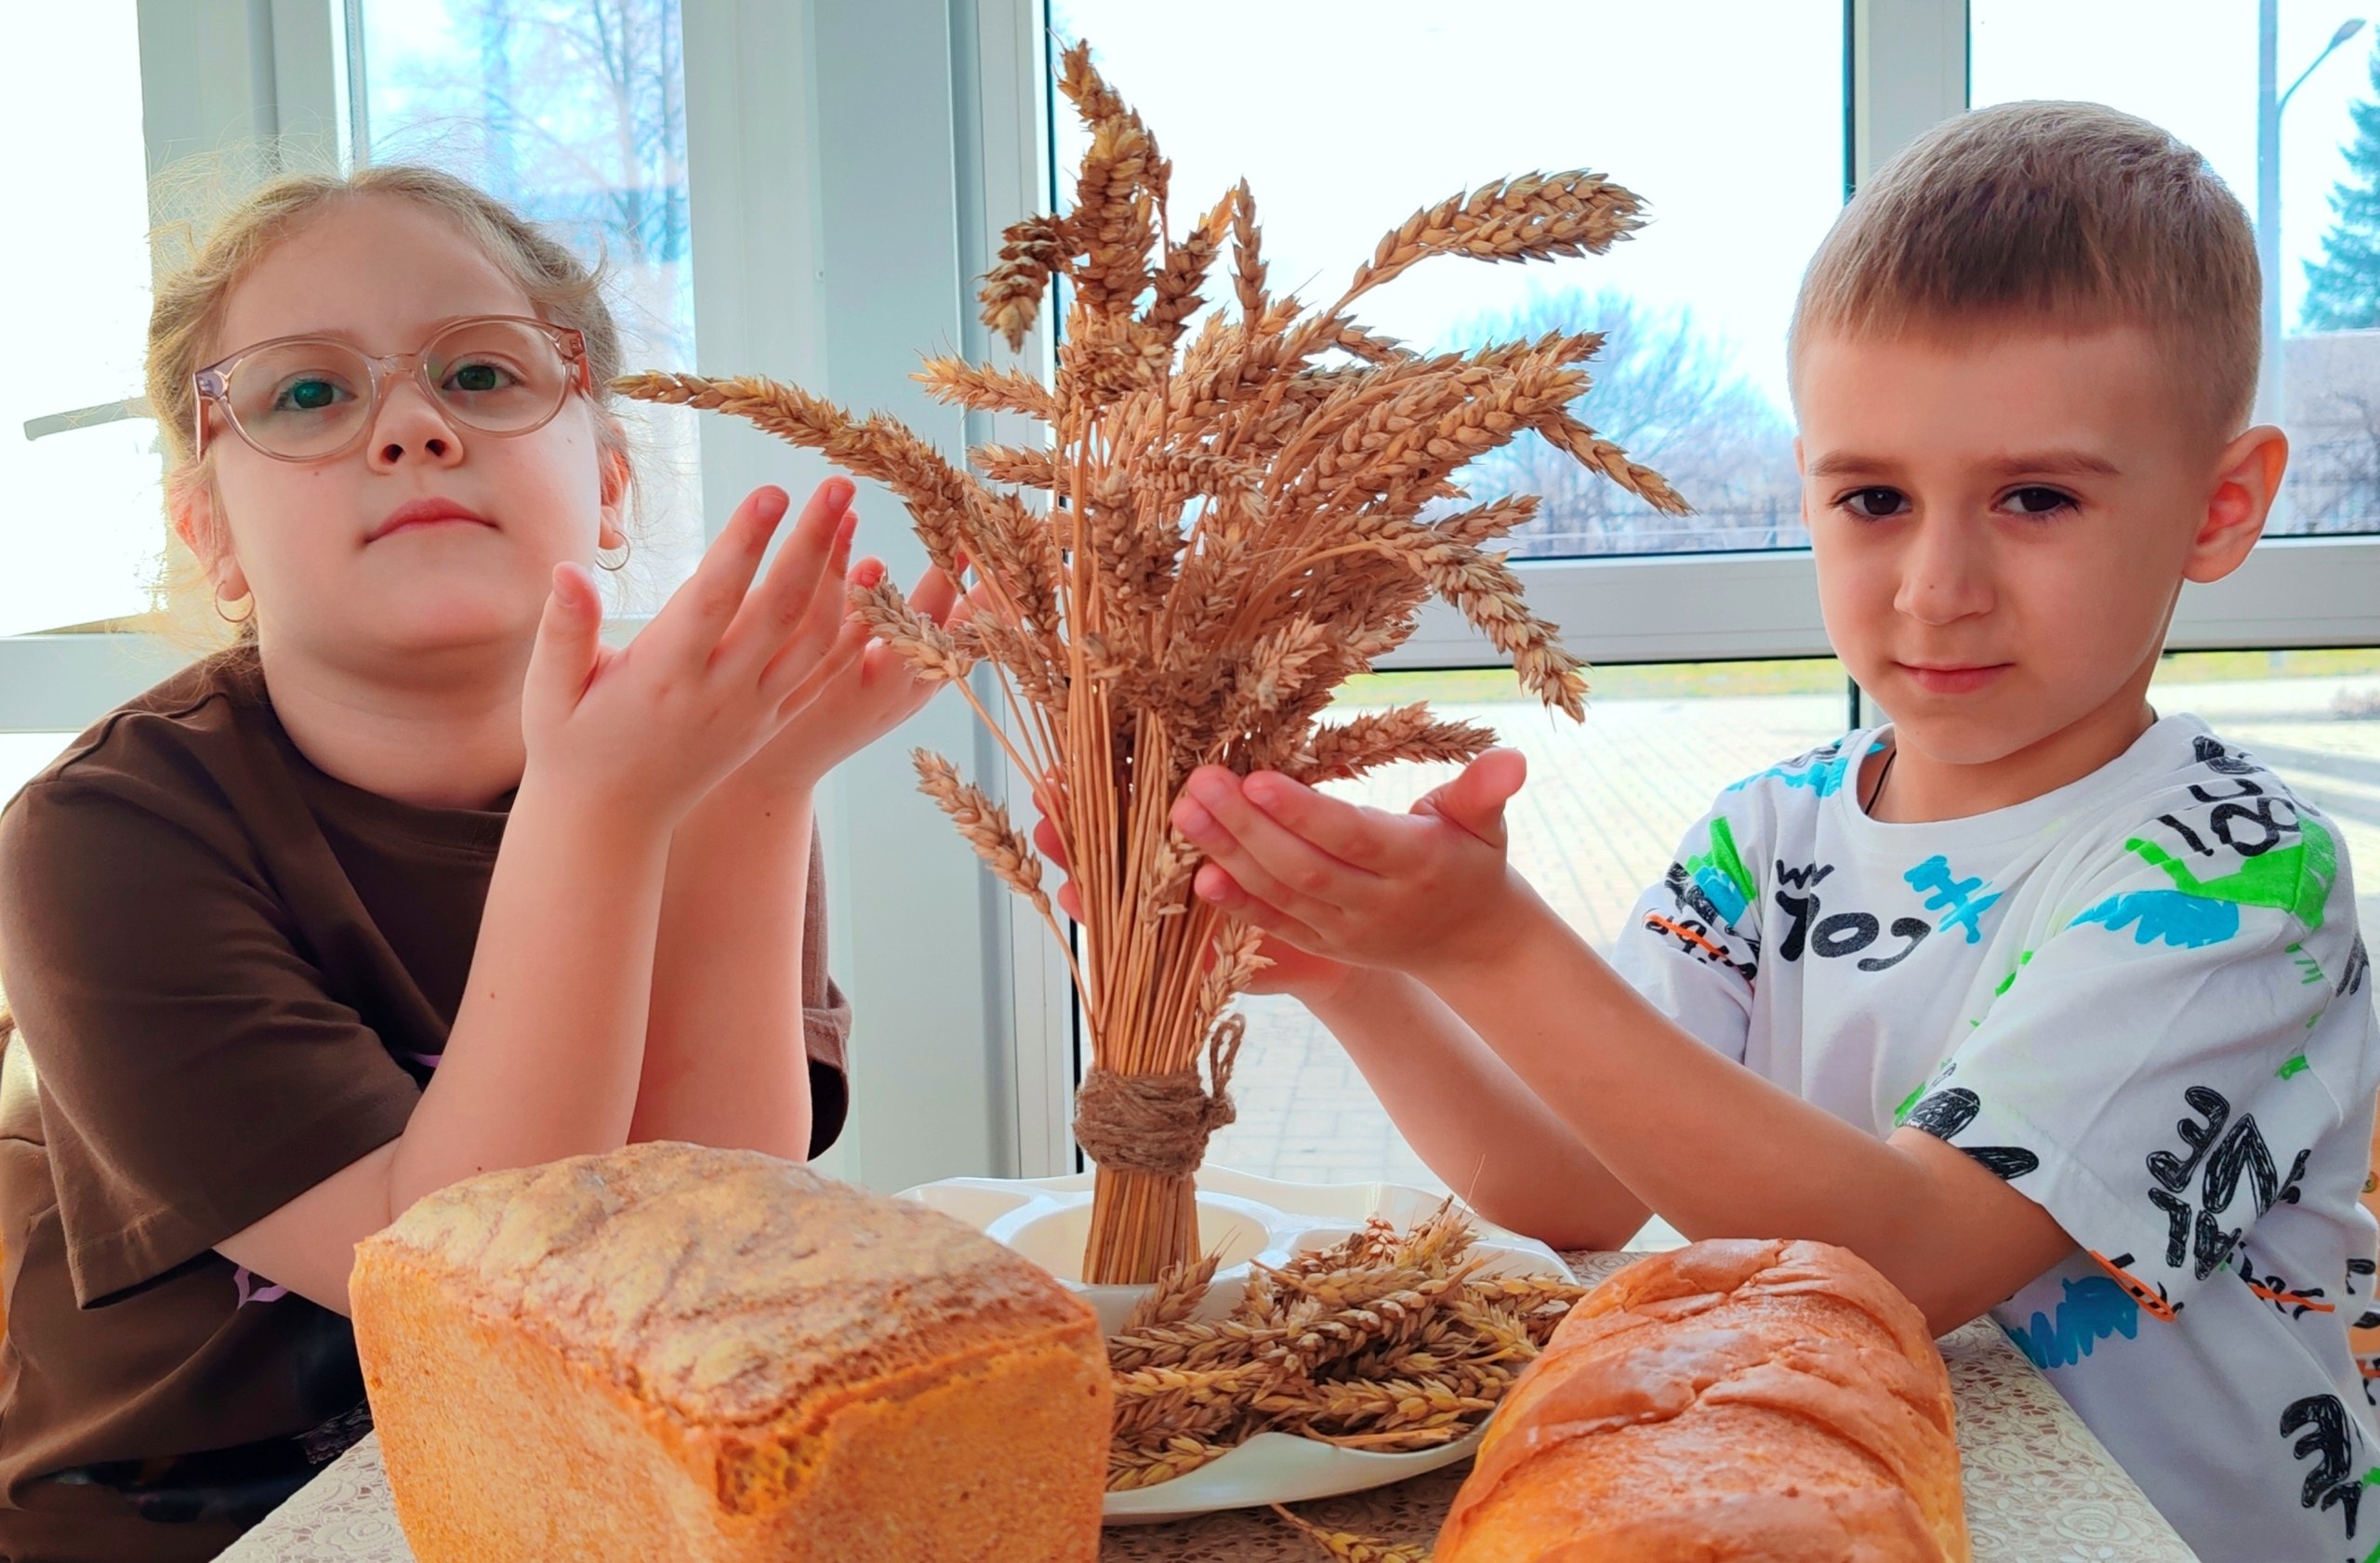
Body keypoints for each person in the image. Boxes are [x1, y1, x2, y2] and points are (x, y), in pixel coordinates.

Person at [1111, 103, 2380, 1557]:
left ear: (2221, 507)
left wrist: (1500, 944)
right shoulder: (1765, 832)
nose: (1936, 585)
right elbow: (1571, 1183)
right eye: (1874, 497)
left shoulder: (2237, 873)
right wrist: (1378, 978)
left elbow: (1905, 1254)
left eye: (2037, 497)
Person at [0, 163, 954, 1562]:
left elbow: (701, 1251)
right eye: (307, 393)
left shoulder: (691, 751)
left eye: (483, 374)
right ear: (211, 536)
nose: (413, 427)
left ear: (609, 482)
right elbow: (472, 1286)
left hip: (578, 1488)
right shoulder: (105, 838)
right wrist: (605, 808)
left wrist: (757, 789)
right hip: (201, 1526)